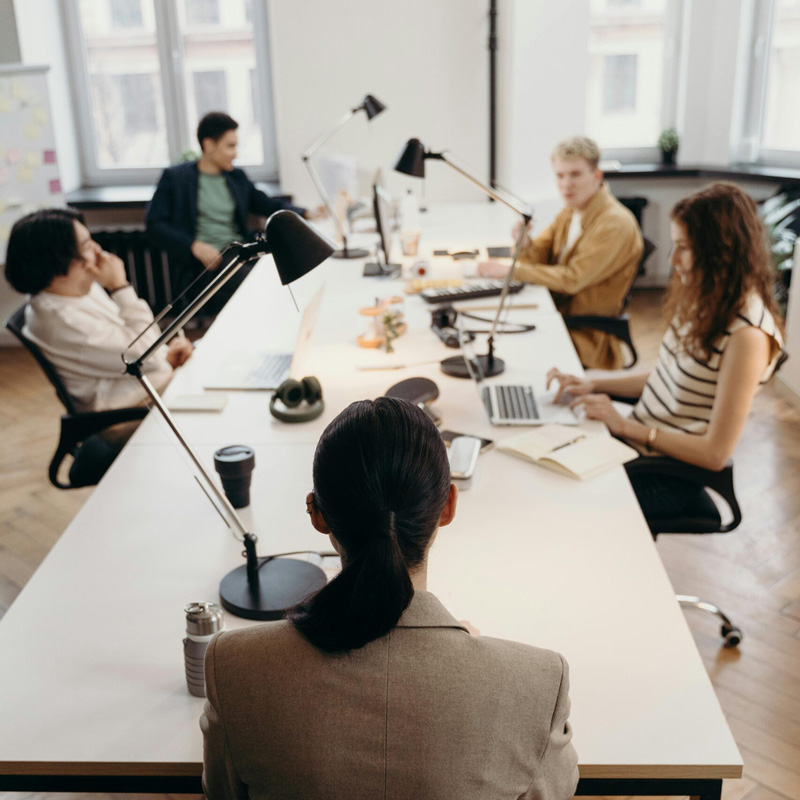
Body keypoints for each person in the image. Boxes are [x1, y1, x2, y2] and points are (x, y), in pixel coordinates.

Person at [201, 397, 579, 800]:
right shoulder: (537, 683)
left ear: (318, 514)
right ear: (447, 506)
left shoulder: (233, 668)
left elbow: (222, 793)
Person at [547, 182, 784, 519]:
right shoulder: (707, 299)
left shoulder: (747, 335)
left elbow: (715, 454)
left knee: (561, 506)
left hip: (669, 473)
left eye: (684, 248)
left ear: (722, 251)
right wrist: (591, 382)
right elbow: (667, 379)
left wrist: (625, 426)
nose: (672, 260)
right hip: (641, 448)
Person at [4, 208, 193, 416]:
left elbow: (136, 347)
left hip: (145, 384)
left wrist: (165, 355)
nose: (97, 249)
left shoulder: (80, 288)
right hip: (128, 410)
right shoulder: (63, 321)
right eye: (86, 245)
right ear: (57, 261)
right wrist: (120, 287)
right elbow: (145, 357)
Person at [478, 136, 643, 370]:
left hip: (584, 334)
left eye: (575, 174)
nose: (566, 184)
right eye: (560, 175)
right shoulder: (571, 210)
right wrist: (525, 243)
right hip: (558, 315)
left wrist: (511, 270)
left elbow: (572, 279)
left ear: (597, 175)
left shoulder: (614, 224)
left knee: (504, 350)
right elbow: (540, 255)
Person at [146, 111, 318, 313]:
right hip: (207, 264)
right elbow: (154, 224)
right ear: (209, 145)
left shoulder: (236, 177)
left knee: (291, 270)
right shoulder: (176, 178)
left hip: (241, 252)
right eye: (230, 146)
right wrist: (193, 246)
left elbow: (266, 204)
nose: (235, 153)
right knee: (263, 290)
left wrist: (305, 213)